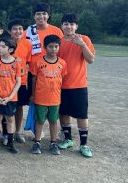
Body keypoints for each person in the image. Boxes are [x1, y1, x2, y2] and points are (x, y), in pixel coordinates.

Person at [57, 13, 95, 158]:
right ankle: (68, 139)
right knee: (64, 113)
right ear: (62, 26)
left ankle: (84, 144)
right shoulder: (59, 42)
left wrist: (83, 45)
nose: (69, 26)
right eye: (66, 24)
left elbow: (90, 60)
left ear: (76, 26)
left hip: (79, 84)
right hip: (61, 85)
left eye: (72, 24)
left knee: (81, 115)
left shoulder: (84, 39)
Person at [30, 35, 67, 155]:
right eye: (51, 46)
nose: (54, 49)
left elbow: (62, 78)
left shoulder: (62, 63)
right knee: (39, 120)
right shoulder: (39, 62)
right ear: (45, 47)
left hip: (55, 98)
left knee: (53, 121)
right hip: (41, 98)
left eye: (56, 46)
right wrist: (33, 94)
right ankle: (37, 142)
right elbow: (34, 79)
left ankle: (53, 142)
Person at [0, 37, 22, 154]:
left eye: (3, 46)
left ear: (10, 49)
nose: (0, 48)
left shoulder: (17, 63)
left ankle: (10, 142)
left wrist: (9, 97)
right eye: (0, 46)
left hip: (11, 97)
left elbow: (18, 82)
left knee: (10, 119)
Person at [8, 18, 32, 143]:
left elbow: (27, 62)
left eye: (20, 29)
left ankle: (18, 131)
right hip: (5, 81)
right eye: (14, 29)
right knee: (6, 108)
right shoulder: (5, 43)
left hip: (21, 81)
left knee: (19, 107)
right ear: (9, 31)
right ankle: (6, 133)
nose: (17, 31)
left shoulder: (28, 44)